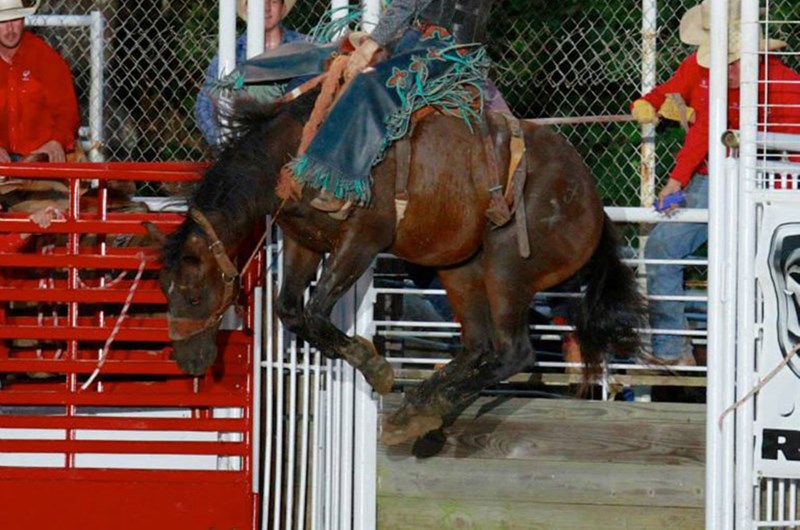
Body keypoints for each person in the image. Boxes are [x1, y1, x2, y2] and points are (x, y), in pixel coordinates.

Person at [630, 0, 800, 363]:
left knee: (758, 266)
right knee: (661, 249)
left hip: (770, 185)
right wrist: (677, 177)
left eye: (731, 61)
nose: (723, 69)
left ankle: (755, 353)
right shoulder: (706, 69)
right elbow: (702, 124)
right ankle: (673, 349)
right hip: (711, 178)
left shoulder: (785, 84)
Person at [287, 0, 497, 215]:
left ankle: (342, 185)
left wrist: (370, 45)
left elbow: (406, 5)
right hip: (421, 37)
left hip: (450, 49)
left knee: (370, 82)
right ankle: (318, 169)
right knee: (343, 62)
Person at [195, 0, 305, 148]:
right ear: (247, 8)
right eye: (258, 2)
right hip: (241, 147)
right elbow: (205, 102)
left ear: (283, 7)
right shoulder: (231, 52)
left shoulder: (304, 48)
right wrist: (220, 138)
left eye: (273, 2)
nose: (266, 8)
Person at [0, 0, 79, 163]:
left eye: (15, 19)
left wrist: (56, 141)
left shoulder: (46, 59)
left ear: (23, 19)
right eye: (2, 21)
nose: (10, 29)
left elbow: (67, 112)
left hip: (40, 158)